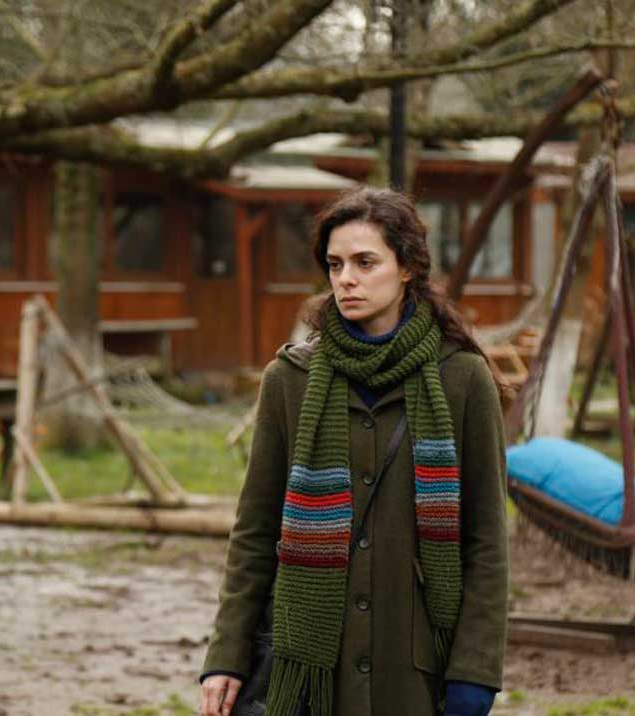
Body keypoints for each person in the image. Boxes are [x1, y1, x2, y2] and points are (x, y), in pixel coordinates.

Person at [199, 187, 508, 716]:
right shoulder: (290, 380)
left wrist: (475, 671)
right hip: (308, 673)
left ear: (407, 267)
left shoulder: (461, 379)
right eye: (335, 264)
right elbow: (254, 531)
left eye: (366, 262)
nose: (346, 278)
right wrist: (226, 655)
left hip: (416, 672)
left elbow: (486, 539)